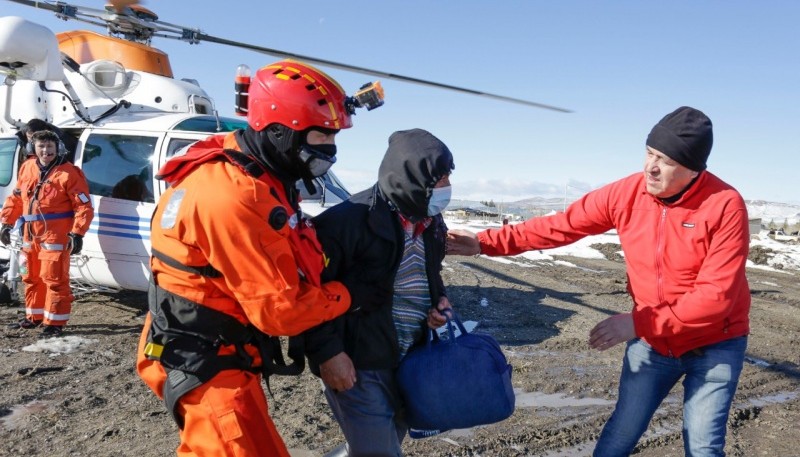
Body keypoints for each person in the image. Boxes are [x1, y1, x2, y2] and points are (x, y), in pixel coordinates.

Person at [447, 106, 750, 457]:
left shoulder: (724, 205)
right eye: (650, 153)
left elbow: (716, 296)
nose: (651, 167)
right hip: (652, 343)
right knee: (620, 434)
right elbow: (561, 225)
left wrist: (635, 323)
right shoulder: (627, 193)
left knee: (703, 446)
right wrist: (485, 242)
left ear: (693, 169)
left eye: (666, 161)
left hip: (714, 344)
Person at [135, 59, 357, 457]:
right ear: (276, 132)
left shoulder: (256, 169)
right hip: (206, 364)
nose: (331, 148)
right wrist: (348, 294)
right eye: (321, 135)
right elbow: (281, 314)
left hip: (217, 350)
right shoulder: (234, 196)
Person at [303, 128, 455, 456]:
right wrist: (327, 354)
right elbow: (307, 295)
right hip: (359, 364)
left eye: (447, 177)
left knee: (384, 443)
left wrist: (438, 302)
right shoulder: (347, 222)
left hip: (408, 360)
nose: (447, 187)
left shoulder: (431, 223)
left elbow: (431, 275)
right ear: (412, 177)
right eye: (439, 178)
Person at [1, 130, 94, 337]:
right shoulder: (27, 168)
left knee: (54, 279)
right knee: (30, 277)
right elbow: (16, 198)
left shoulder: (69, 173)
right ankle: (34, 317)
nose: (46, 151)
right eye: (41, 146)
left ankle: (54, 322)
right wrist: (6, 223)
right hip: (30, 236)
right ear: (33, 148)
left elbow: (84, 207)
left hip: (55, 237)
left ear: (58, 148)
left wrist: (77, 233)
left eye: (50, 147)